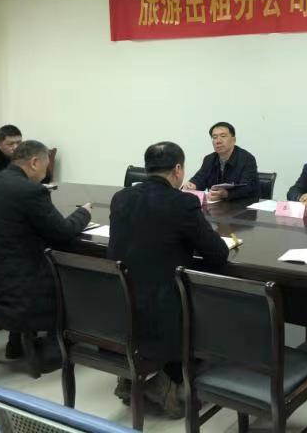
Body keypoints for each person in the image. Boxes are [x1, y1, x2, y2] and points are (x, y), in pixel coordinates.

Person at [107, 141, 229, 417]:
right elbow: (218, 254)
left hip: (123, 298)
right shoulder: (182, 203)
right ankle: (170, 383)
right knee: (203, 293)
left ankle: (137, 378)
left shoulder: (121, 197)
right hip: (163, 307)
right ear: (177, 170)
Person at [0, 140, 91, 366]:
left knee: (23, 259)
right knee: (64, 279)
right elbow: (62, 233)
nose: (46, 174)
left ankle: (16, 343)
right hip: (11, 293)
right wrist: (84, 213)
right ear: (34, 162)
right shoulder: (30, 191)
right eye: (46, 167)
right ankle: (53, 349)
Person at [183, 121, 259, 201]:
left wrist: (226, 194)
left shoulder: (247, 159)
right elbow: (200, 178)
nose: (218, 141)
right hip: (217, 205)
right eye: (215, 137)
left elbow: (248, 187)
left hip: (243, 205)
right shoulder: (209, 159)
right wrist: (193, 185)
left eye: (223, 136)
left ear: (234, 140)